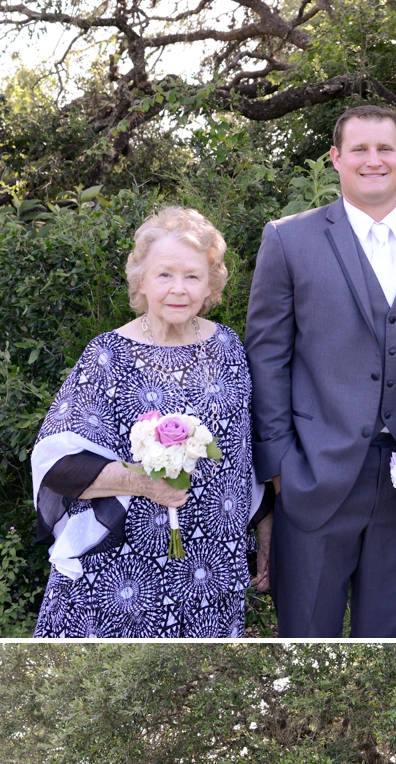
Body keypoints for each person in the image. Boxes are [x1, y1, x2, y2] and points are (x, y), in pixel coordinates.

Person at [246, 104, 396, 638]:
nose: (372, 160)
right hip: (314, 474)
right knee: (305, 638)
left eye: (383, 149)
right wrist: (281, 466)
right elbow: (267, 355)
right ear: (336, 158)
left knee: (392, 638)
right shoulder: (289, 240)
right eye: (359, 149)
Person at [32, 205, 266, 638]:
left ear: (210, 284)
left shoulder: (229, 346)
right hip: (124, 574)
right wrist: (142, 481)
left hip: (214, 565)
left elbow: (246, 451)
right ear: (141, 279)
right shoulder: (108, 355)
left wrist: (265, 527)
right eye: (165, 275)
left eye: (193, 276)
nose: (179, 289)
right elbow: (57, 465)